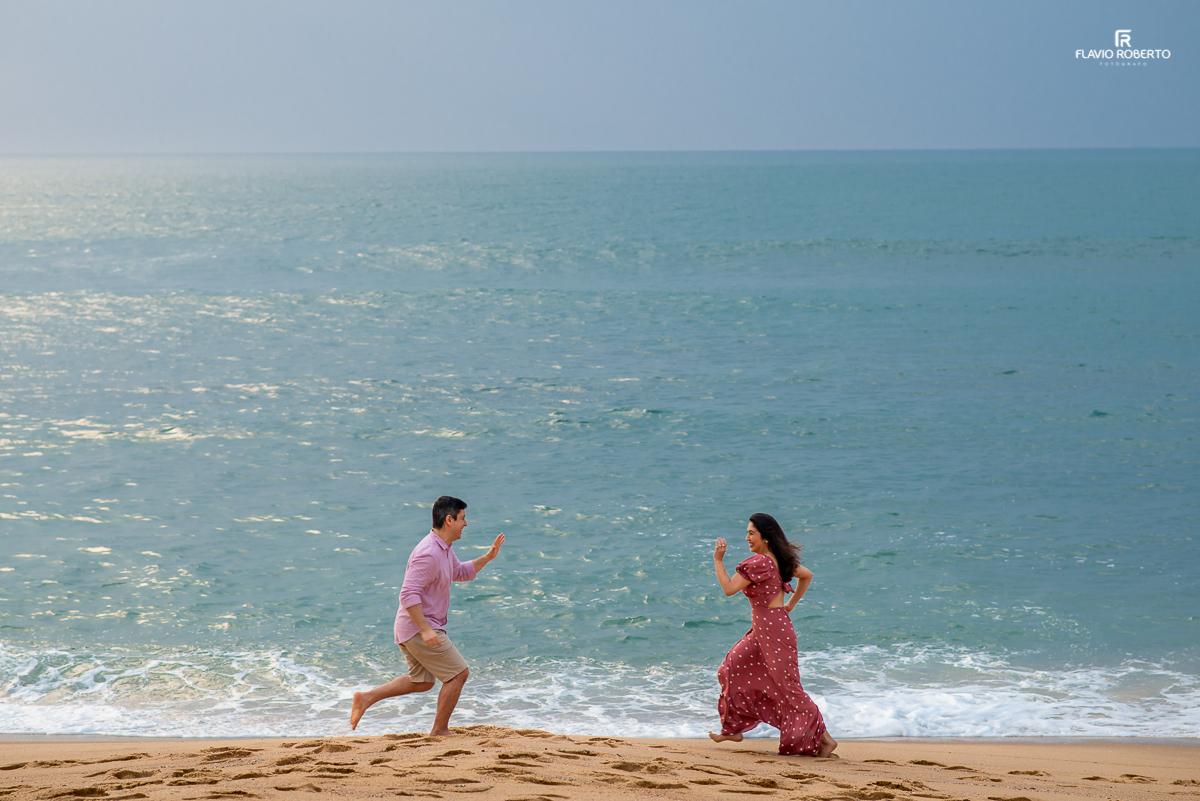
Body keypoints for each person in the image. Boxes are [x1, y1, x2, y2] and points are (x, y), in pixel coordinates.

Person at [350, 495, 504, 735]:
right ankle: (439, 730)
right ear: (449, 519)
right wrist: (426, 630)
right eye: (463, 519)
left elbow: (459, 572)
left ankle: (366, 698)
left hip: (413, 628)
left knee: (421, 682)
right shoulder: (428, 553)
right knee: (458, 674)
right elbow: (408, 594)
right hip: (418, 628)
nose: (466, 524)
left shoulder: (444, 547)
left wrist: (488, 556)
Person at [708, 512, 836, 757]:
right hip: (764, 630)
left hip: (774, 634)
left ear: (765, 537)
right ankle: (733, 728)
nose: (747, 537)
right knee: (729, 668)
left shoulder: (760, 563)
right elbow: (807, 575)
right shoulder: (777, 560)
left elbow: (728, 589)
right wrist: (791, 605)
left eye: (751, 533)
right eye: (747, 532)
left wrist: (718, 560)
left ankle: (826, 739)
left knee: (790, 689)